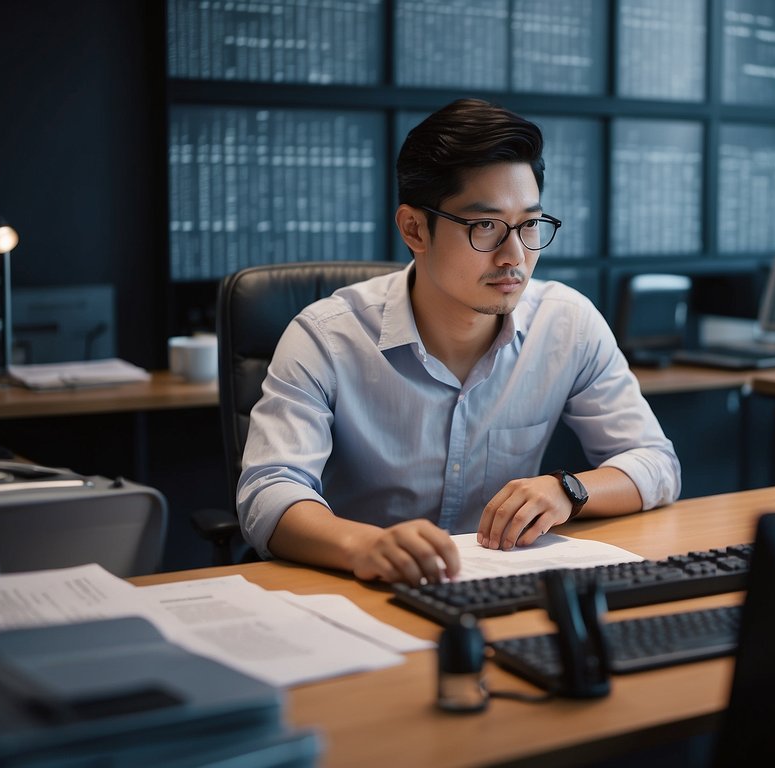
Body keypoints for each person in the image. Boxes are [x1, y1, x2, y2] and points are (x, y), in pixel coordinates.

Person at [236, 98, 681, 585]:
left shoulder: (566, 323)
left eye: (529, 224)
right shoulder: (325, 336)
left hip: (499, 589)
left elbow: (656, 463)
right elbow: (269, 492)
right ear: (414, 229)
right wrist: (366, 545)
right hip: (362, 589)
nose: (514, 256)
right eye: (485, 226)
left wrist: (569, 490)